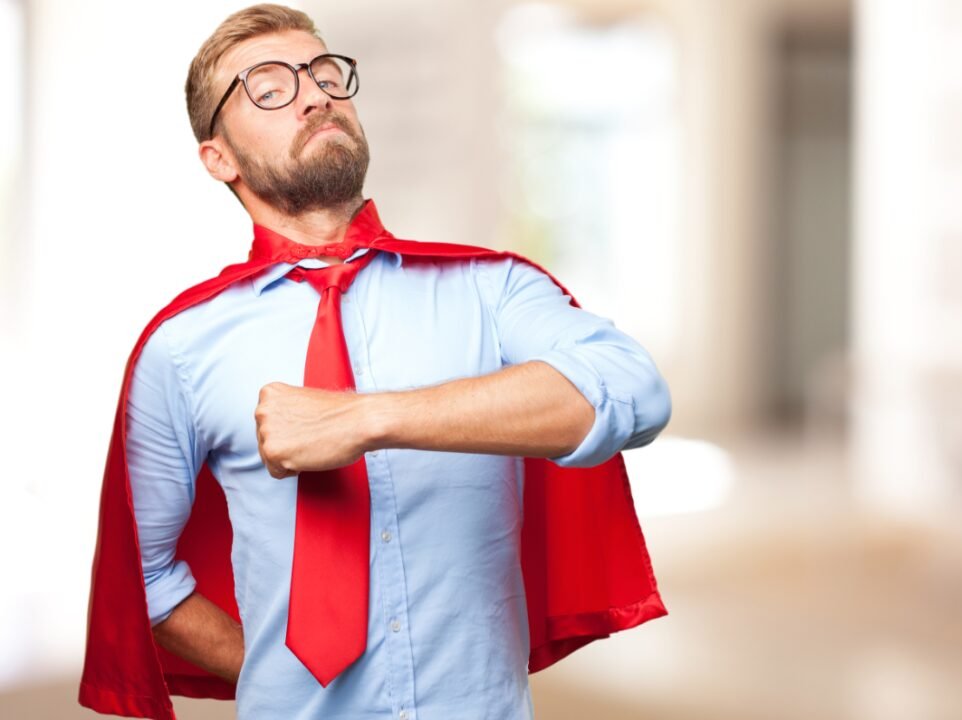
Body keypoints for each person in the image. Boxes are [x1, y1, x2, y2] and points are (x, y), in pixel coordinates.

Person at [79, 4, 671, 720]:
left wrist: (367, 418)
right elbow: (144, 578)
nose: (315, 93)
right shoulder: (180, 347)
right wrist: (275, 672)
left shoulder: (492, 290)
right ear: (219, 157)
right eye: (269, 85)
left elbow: (633, 390)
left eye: (324, 72)